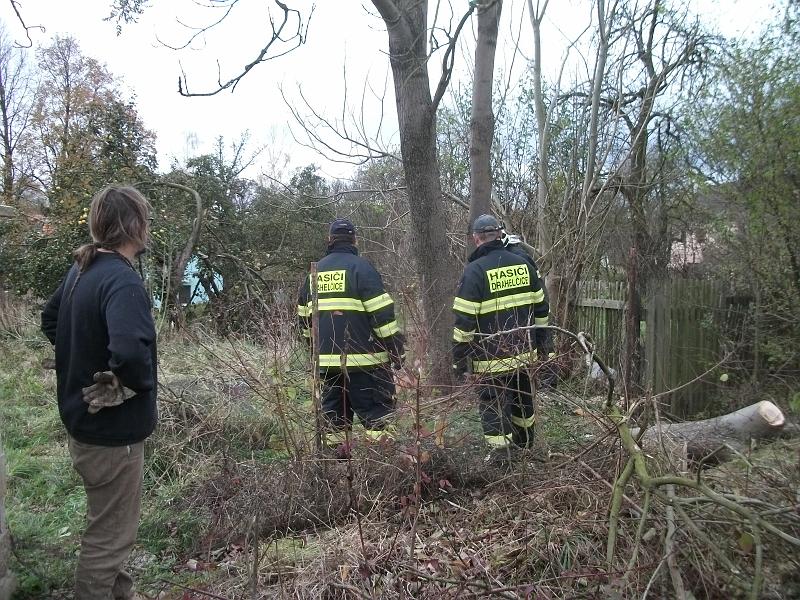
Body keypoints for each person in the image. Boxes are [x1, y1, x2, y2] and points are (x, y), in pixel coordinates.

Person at [41, 185, 157, 600]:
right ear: (136, 224)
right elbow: (128, 350)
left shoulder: (83, 270)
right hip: (112, 434)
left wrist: (82, 356)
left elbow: (50, 320)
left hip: (83, 424)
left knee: (111, 525)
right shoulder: (121, 280)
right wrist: (128, 383)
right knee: (108, 540)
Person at [297, 218, 404, 455]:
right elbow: (382, 316)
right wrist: (396, 350)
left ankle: (337, 471)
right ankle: (380, 467)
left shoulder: (314, 273)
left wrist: (315, 350)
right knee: (378, 417)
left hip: (326, 365)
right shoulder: (362, 268)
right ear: (355, 240)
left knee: (334, 419)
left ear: (329, 240)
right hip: (367, 365)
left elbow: (304, 320)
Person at [452, 214, 550, 458]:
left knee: (494, 407)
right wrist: (541, 344)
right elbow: (541, 309)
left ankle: (502, 460)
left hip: (489, 360)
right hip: (524, 355)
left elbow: (464, 322)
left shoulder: (474, 271)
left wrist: (458, 358)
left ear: (476, 239)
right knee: (522, 402)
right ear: (500, 234)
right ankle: (526, 448)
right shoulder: (524, 265)